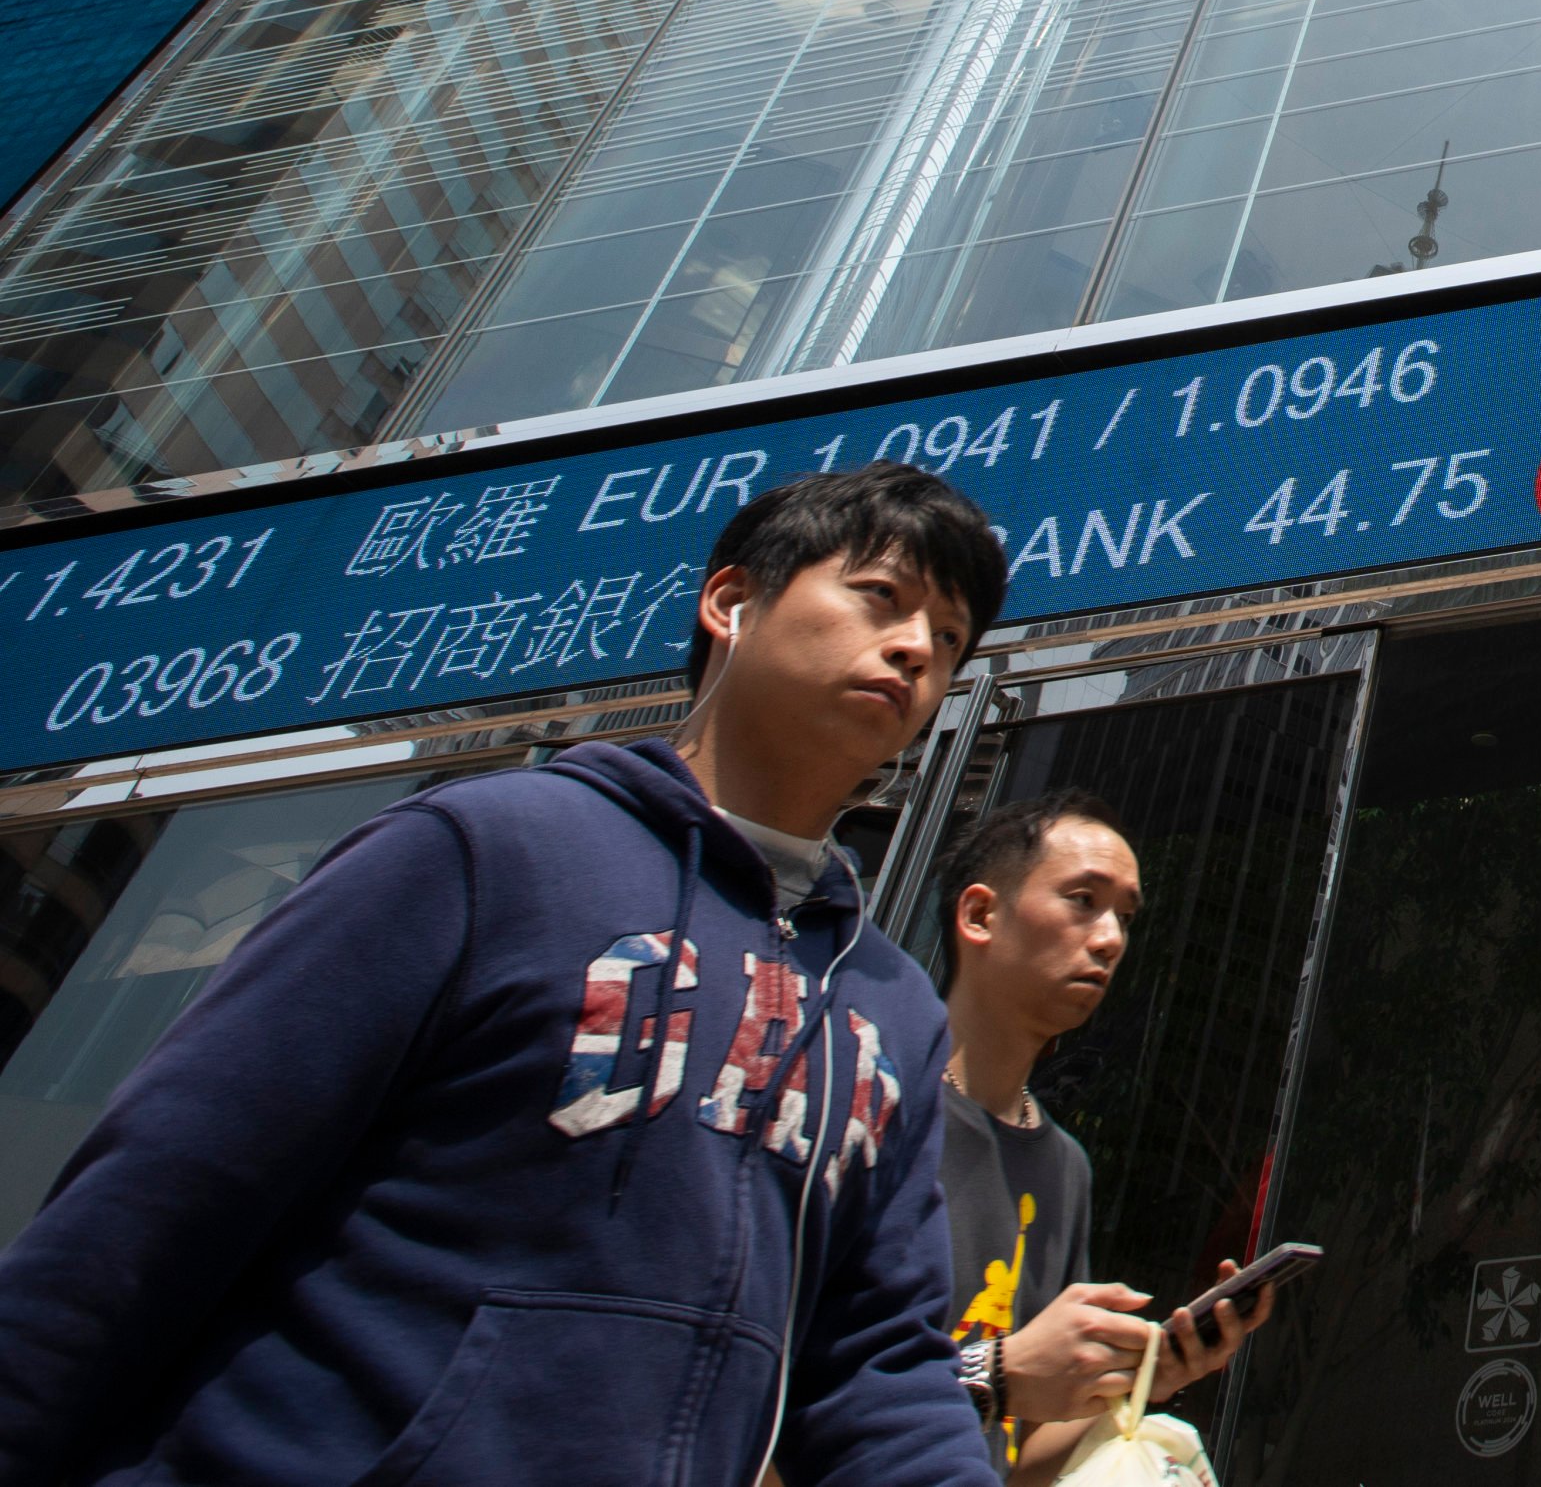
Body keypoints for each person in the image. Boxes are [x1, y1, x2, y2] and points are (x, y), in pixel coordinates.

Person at [0, 461, 1007, 1487]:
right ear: (731, 601)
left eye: (952, 637)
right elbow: (158, 1204)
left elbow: (878, 1367)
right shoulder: (485, 852)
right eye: (881, 597)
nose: (916, 647)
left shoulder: (890, 1008)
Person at [938, 789, 1274, 1479]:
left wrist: (1153, 1379)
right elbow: (778, 1398)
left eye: (1124, 916)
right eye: (1082, 900)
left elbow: (1021, 1457)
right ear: (979, 914)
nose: (1110, 938)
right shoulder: (864, 1102)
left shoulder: (1064, 1168)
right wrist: (993, 1372)